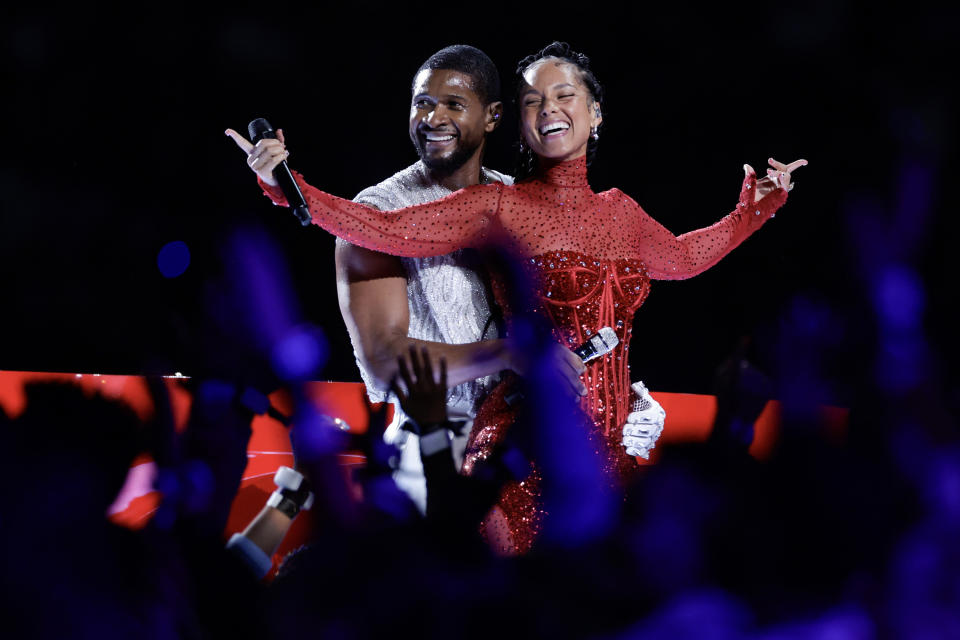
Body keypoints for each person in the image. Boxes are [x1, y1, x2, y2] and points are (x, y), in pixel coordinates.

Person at [232, 42, 806, 551]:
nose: (549, 109)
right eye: (534, 100)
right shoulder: (503, 207)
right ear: (519, 120)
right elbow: (384, 228)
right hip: (516, 449)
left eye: (564, 95)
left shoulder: (620, 211)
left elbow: (680, 259)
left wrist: (751, 213)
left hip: (608, 453)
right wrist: (291, 189)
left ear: (596, 112)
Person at [226, 45, 587, 519]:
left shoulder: (515, 201)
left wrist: (616, 390)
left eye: (453, 105)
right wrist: (506, 353)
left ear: (494, 115)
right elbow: (384, 362)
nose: (433, 117)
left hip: (525, 444)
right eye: (422, 103)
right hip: (430, 451)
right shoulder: (374, 212)